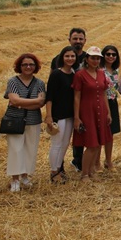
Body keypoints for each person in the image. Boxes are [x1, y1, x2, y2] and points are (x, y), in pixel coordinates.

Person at [3, 54, 46, 192]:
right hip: (14, 120)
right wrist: (33, 102)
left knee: (30, 149)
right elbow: (14, 100)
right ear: (19, 66)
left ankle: (25, 176)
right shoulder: (13, 82)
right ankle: (15, 179)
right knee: (15, 149)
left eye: (31, 64)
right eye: (25, 65)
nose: (28, 67)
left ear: (36, 67)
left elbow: (41, 103)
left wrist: (21, 103)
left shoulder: (39, 83)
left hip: (33, 120)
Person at [72, 46, 112, 182]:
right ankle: (84, 174)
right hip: (87, 112)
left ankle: (92, 171)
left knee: (99, 143)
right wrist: (77, 118)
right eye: (93, 58)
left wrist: (108, 113)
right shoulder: (80, 75)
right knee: (91, 144)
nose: (95, 61)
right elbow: (77, 97)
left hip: (101, 111)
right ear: (87, 59)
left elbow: (104, 94)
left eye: (97, 58)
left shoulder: (101, 73)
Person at [50, 28, 86, 171]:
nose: (78, 41)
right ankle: (58, 169)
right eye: (75, 38)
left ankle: (78, 161)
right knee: (59, 142)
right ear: (69, 39)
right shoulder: (57, 61)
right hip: (61, 109)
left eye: (80, 39)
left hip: (79, 106)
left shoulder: (87, 58)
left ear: (85, 41)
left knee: (76, 137)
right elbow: (52, 89)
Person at [45, 46, 77, 182]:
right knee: (56, 144)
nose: (70, 59)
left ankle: (59, 169)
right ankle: (53, 172)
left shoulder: (74, 73)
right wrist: (49, 116)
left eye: (72, 56)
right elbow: (49, 97)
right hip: (58, 115)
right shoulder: (56, 74)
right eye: (67, 56)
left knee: (65, 144)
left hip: (69, 115)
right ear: (62, 58)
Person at [100, 45, 121, 170]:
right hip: (101, 104)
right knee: (99, 134)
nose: (111, 57)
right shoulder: (99, 70)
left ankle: (108, 161)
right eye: (108, 54)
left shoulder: (116, 71)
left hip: (113, 102)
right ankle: (96, 162)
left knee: (110, 133)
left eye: (114, 54)